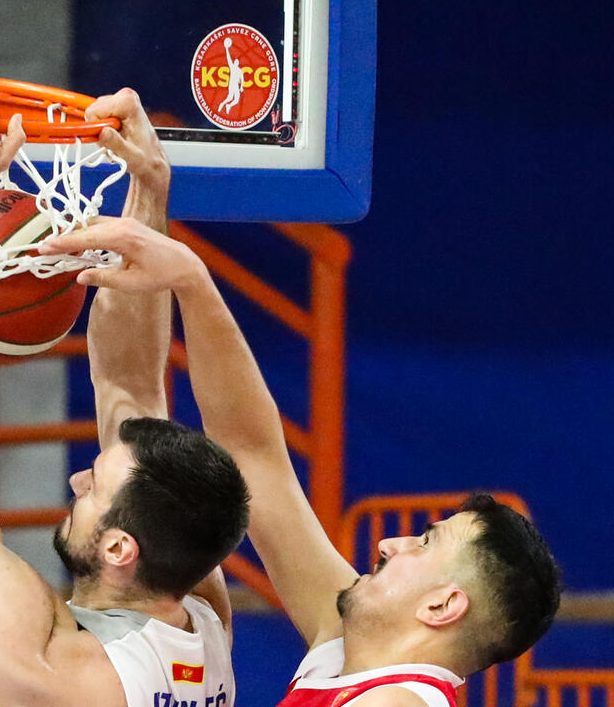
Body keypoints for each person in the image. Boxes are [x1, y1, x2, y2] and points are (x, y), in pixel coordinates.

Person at [39, 217, 563, 707]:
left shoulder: (398, 701)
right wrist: (193, 284)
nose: (389, 544)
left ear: (442, 606)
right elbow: (252, 455)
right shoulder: (347, 648)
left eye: (424, 543)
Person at [0, 89, 252, 707]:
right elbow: (131, 386)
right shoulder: (198, 625)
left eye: (94, 489)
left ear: (120, 549)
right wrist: (148, 193)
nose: (76, 481)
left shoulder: (61, 673)